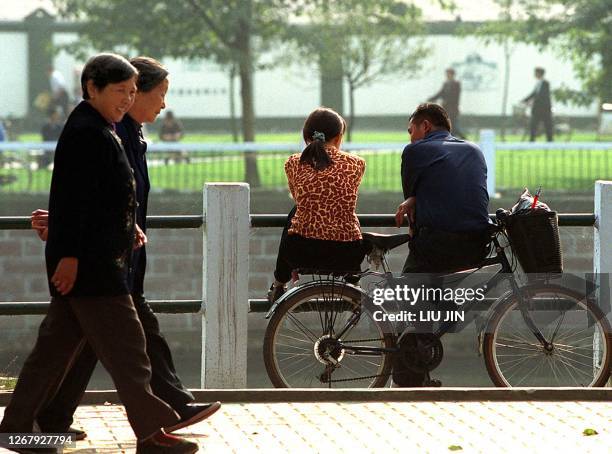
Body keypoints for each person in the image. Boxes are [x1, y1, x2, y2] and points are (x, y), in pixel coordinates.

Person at [0, 53, 198, 454]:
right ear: (92, 88)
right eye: (119, 91)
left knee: (52, 354)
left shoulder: (99, 128)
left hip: (98, 259)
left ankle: (16, 429)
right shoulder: (86, 132)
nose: (126, 100)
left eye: (130, 92)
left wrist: (129, 229)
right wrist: (70, 257)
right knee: (130, 355)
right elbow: (73, 200)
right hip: (93, 266)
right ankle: (151, 434)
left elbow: (105, 199)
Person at [394, 103, 491, 387]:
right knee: (433, 295)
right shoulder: (474, 150)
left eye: (411, 130)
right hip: (475, 245)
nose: (410, 137)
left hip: (436, 245)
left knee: (409, 295)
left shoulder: (415, 152)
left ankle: (409, 378)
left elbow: (412, 203)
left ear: (425, 126)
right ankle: (443, 315)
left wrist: (413, 204)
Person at [268, 107, 368, 302]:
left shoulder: (293, 163)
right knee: (346, 214)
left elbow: (301, 200)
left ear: (306, 136)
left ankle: (279, 283)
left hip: (301, 251)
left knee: (296, 211)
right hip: (346, 254)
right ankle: (353, 281)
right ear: (339, 137)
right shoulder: (356, 164)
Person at [427, 68, 463, 138]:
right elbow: (440, 93)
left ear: (452, 75)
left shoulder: (456, 84)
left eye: (448, 74)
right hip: (446, 108)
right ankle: (456, 138)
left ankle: (461, 139)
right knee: (450, 125)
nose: (447, 75)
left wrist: (446, 101)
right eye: (446, 74)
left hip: (453, 108)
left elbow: (455, 96)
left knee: (453, 125)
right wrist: (431, 99)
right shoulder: (445, 84)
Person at [522, 67, 553, 142]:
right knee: (533, 125)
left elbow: (542, 95)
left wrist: (532, 101)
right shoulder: (538, 83)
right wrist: (524, 100)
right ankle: (532, 141)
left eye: (535, 73)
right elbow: (533, 94)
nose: (534, 74)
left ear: (539, 73)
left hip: (544, 109)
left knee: (547, 126)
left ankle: (550, 141)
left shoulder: (546, 83)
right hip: (537, 109)